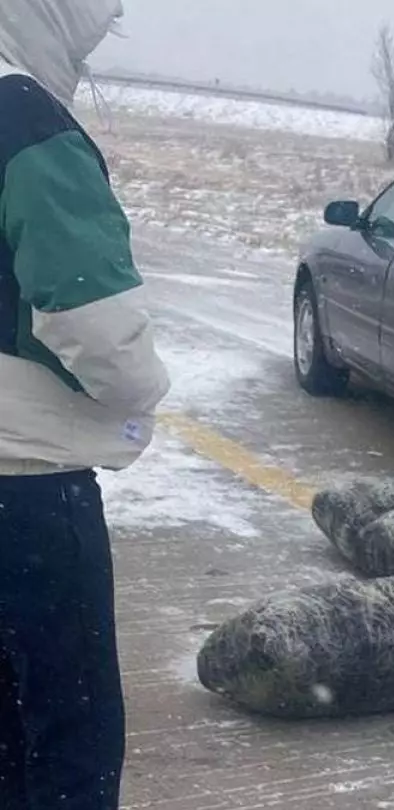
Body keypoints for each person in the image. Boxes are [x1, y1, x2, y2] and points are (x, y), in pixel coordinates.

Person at [1, 2, 170, 806]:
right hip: (25, 489)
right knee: (68, 746)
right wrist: (144, 391)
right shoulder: (26, 121)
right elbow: (99, 333)